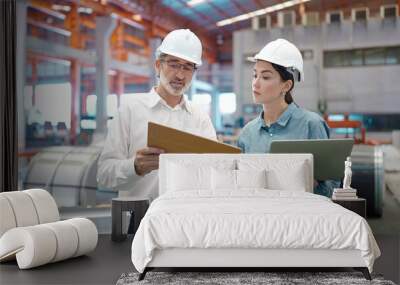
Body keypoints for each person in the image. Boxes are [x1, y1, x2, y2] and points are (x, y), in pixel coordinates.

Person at [97, 29, 217, 200]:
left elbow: (216, 170)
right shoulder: (130, 110)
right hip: (139, 220)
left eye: (188, 67)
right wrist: (135, 167)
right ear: (158, 65)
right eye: (174, 64)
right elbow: (104, 175)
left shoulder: (200, 118)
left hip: (186, 219)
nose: (180, 75)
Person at [237, 38, 339, 197]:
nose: (255, 84)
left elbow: (332, 186)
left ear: (286, 85)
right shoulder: (247, 133)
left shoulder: (311, 125)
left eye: (265, 77)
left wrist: (309, 185)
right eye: (254, 75)